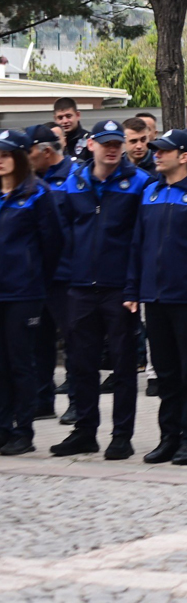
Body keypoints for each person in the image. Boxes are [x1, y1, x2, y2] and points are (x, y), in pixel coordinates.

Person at [50, 120, 154, 460]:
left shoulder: (139, 182)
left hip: (119, 287)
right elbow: (62, 229)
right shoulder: (74, 181)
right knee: (81, 364)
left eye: (117, 143)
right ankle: (84, 431)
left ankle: (121, 435)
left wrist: (134, 286)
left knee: (123, 365)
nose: (112, 149)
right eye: (105, 143)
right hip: (80, 287)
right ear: (91, 144)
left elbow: (142, 240)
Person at [124, 129, 187, 466]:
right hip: (155, 298)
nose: (156, 154)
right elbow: (137, 246)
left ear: (184, 156)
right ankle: (168, 437)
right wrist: (133, 289)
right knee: (165, 373)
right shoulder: (150, 192)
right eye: (156, 149)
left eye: (163, 150)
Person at [0, 129, 65, 456]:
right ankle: (2, 428)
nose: (0, 161)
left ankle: (23, 430)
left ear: (21, 158)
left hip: (24, 292)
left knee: (20, 363)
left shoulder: (37, 192)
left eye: (6, 154)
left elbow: (52, 242)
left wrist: (35, 277)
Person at [25, 124, 74, 421]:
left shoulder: (75, 177)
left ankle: (78, 403)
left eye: (28, 152)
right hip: (37, 277)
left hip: (67, 275)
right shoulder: (29, 181)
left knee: (74, 344)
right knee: (39, 344)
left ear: (45, 151)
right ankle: (42, 400)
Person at [54, 97, 91, 162]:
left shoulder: (90, 140)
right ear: (55, 119)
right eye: (60, 117)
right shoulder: (51, 144)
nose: (65, 121)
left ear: (77, 115)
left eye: (68, 116)